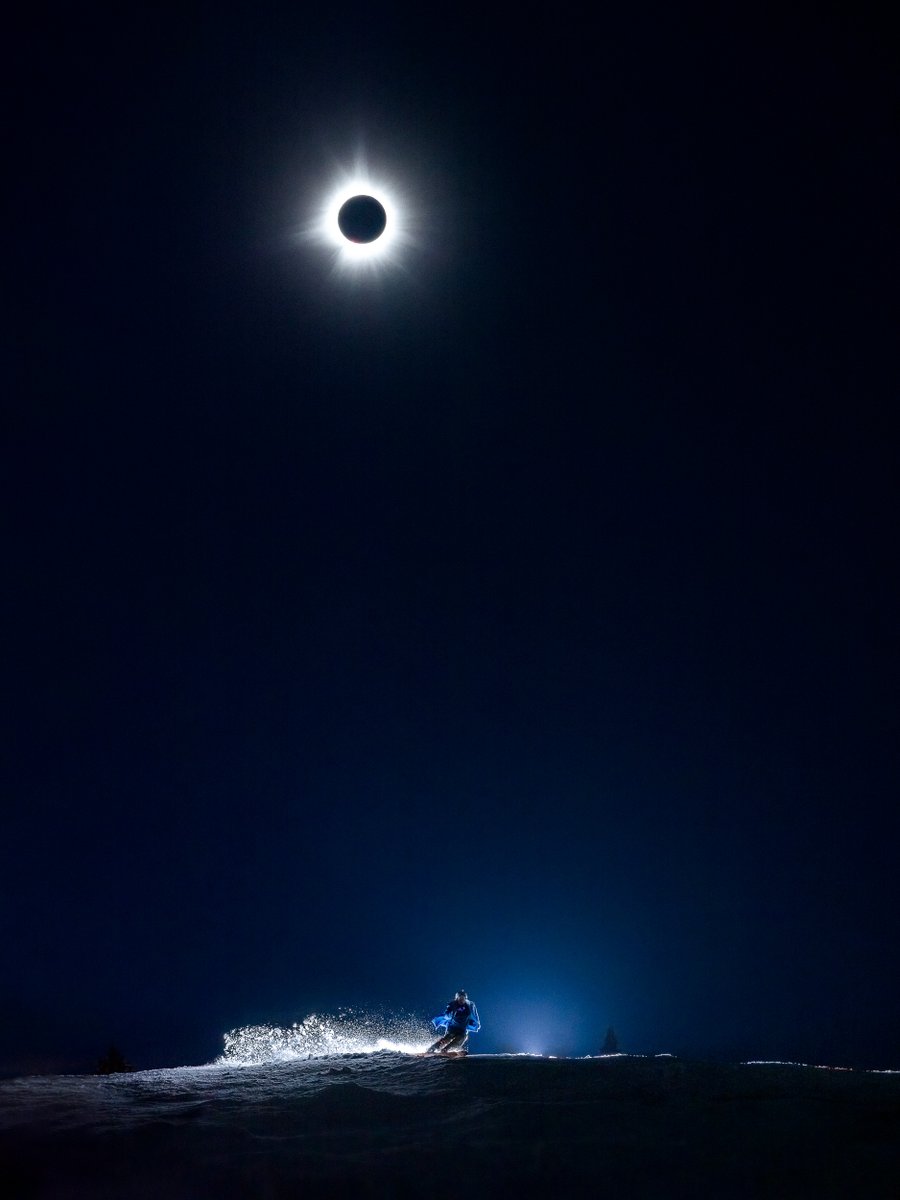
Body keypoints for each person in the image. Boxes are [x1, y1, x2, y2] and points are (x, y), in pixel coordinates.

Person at [426, 989, 480, 1055]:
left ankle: (446, 1049)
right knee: (447, 1038)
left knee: (462, 1038)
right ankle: (432, 1048)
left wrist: (473, 1023)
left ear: (465, 999)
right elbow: (447, 1014)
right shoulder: (452, 1005)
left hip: (462, 1029)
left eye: (463, 998)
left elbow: (473, 1015)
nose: (461, 1000)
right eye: (460, 998)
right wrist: (452, 1012)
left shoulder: (469, 1005)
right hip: (452, 1028)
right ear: (457, 998)